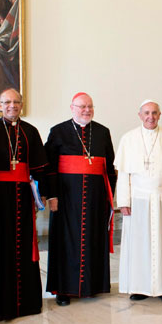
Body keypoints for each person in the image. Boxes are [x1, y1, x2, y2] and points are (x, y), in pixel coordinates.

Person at [0, 88, 47, 320]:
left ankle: (27, 303)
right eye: (7, 102)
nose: (12, 106)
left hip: (23, 201)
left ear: (22, 105)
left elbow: (39, 169)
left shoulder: (30, 132)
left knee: (24, 248)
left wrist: (41, 196)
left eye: (16, 102)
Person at [44, 92, 117, 305]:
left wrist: (110, 195)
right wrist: (53, 195)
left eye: (90, 106)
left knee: (93, 238)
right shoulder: (58, 131)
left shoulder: (103, 132)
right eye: (82, 106)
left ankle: (92, 286)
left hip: (96, 197)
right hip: (66, 198)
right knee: (66, 241)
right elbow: (49, 168)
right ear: (72, 107)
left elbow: (110, 167)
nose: (87, 110)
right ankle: (63, 290)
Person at [114, 100, 162, 304]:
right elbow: (123, 175)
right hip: (138, 200)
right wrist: (123, 201)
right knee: (139, 245)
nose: (150, 117)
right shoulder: (128, 139)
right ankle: (139, 287)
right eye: (146, 113)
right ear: (139, 115)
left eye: (154, 113)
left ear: (159, 114)